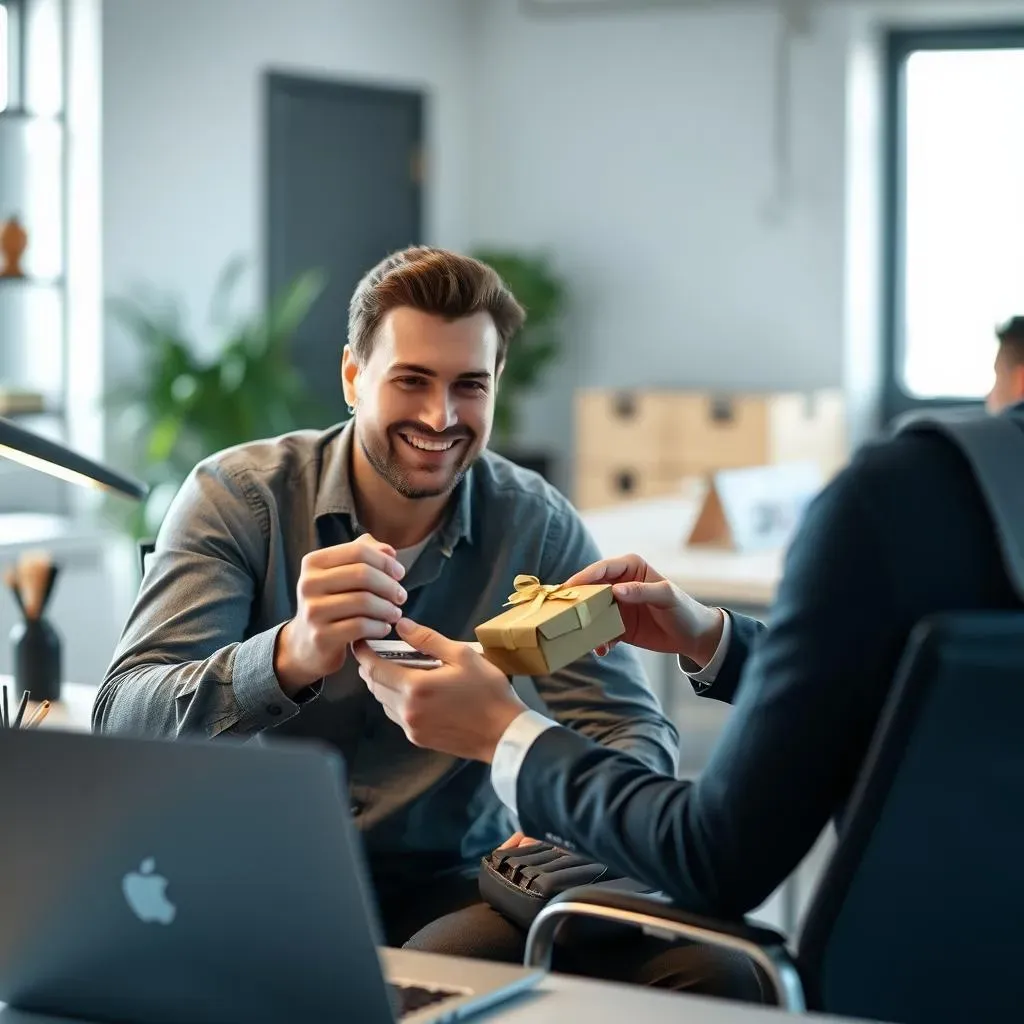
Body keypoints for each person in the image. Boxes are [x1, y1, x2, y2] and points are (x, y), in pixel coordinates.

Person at [351, 316, 1024, 996]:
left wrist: (509, 736)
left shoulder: (893, 504)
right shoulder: (251, 498)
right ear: (356, 377)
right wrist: (715, 639)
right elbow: (919, 701)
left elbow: (712, 856)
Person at [94, 246, 679, 947]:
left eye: (469, 385)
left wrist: (568, 817)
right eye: (412, 380)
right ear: (353, 376)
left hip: (454, 887)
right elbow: (123, 720)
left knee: (696, 971)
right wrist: (289, 656)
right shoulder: (240, 499)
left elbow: (632, 731)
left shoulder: (536, 525)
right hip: (244, 885)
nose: (440, 417)